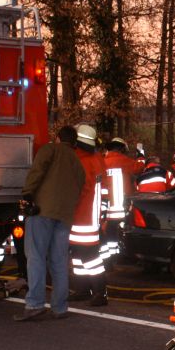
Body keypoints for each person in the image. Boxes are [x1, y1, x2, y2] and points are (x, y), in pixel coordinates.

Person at [16, 125, 85, 321]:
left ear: (57, 138)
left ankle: (35, 305)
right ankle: (60, 308)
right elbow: (79, 188)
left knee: (36, 257)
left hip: (42, 212)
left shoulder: (50, 150)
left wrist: (27, 193)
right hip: (64, 216)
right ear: (74, 142)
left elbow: (37, 171)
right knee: (59, 261)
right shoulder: (77, 163)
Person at [68, 124, 109, 306]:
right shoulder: (96, 158)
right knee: (78, 255)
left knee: (90, 257)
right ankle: (83, 289)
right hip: (89, 215)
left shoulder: (82, 160)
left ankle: (100, 293)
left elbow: (79, 189)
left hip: (82, 215)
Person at [102, 137, 140, 258]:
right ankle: (124, 255)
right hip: (123, 205)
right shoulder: (124, 161)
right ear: (122, 149)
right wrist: (141, 156)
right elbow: (139, 168)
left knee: (109, 230)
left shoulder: (102, 162)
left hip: (106, 204)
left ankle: (110, 257)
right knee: (125, 229)